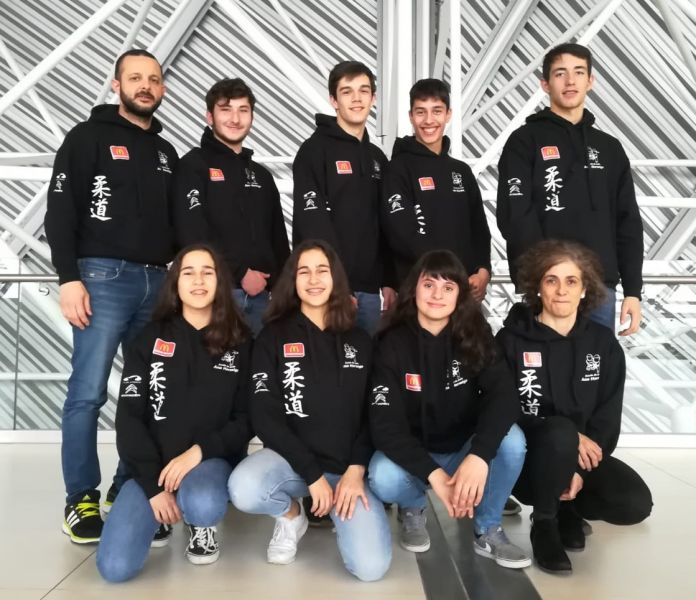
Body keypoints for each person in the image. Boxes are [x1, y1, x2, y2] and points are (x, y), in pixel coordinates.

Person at [44, 49, 178, 543]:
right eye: (135, 78)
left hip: (157, 283)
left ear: (162, 89)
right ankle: (80, 498)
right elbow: (60, 210)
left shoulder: (166, 153)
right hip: (101, 278)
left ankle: (129, 487)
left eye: (154, 79)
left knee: (149, 392)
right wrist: (68, 278)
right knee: (87, 393)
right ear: (116, 84)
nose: (146, 86)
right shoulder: (86, 138)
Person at [228, 239, 391, 582]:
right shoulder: (272, 337)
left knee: (371, 569)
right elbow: (264, 414)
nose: (314, 279)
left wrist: (356, 470)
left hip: (347, 472)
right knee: (244, 487)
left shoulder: (360, 340)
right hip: (294, 464)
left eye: (322, 270)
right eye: (304, 271)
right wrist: (313, 475)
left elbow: (376, 415)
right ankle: (291, 516)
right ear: (293, 280)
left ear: (335, 279)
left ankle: (340, 512)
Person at [96, 244, 252, 581]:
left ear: (220, 282)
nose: (198, 281)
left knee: (203, 502)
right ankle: (161, 512)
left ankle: (200, 525)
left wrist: (199, 452)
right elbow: (129, 418)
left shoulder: (240, 341)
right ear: (175, 283)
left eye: (207, 272)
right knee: (114, 568)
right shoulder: (149, 339)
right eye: (188, 273)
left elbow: (246, 420)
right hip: (156, 466)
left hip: (209, 462)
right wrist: (152, 486)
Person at [496, 240, 652, 574]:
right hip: (529, 464)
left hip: (581, 459)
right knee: (560, 431)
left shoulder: (602, 343)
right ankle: (544, 523)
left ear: (584, 290)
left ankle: (570, 510)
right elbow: (501, 407)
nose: (561, 290)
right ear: (538, 287)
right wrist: (565, 438)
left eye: (571, 281)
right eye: (551, 280)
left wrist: (577, 468)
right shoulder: (510, 341)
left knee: (635, 503)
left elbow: (608, 414)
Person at [368, 250, 531, 570]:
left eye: (448, 287)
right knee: (381, 475)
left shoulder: (475, 334)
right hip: (413, 454)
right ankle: (413, 508)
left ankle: (487, 528)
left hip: (462, 449)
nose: (437, 295)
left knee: (512, 441)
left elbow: (505, 396)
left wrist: (479, 455)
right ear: (414, 288)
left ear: (460, 295)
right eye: (429, 285)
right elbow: (384, 425)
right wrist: (435, 476)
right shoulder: (390, 343)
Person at [496, 43, 644, 335]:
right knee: (545, 362)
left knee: (596, 364)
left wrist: (633, 290)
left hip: (600, 287)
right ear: (545, 84)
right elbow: (514, 214)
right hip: (547, 285)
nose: (570, 81)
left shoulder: (609, 148)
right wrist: (544, 274)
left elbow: (628, 221)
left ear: (590, 81)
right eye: (560, 73)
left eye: (578, 72)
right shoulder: (524, 141)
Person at [173, 78, 289, 336]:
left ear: (252, 117)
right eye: (226, 110)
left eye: (243, 110)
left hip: (264, 301)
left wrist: (284, 291)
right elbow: (192, 234)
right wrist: (239, 273)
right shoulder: (193, 166)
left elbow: (278, 239)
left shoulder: (261, 175)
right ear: (209, 116)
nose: (235, 119)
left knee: (261, 363)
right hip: (215, 296)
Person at [292, 60, 395, 335]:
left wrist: (389, 280)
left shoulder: (377, 158)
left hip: (370, 293)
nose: (357, 98)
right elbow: (312, 221)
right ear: (334, 100)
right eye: (347, 91)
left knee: (367, 361)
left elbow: (387, 224)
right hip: (327, 290)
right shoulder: (314, 151)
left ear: (373, 98)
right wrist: (336, 284)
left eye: (363, 90)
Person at [381, 79, 491, 300]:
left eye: (437, 111)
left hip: (464, 292)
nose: (429, 120)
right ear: (411, 116)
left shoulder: (461, 171)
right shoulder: (397, 169)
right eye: (421, 112)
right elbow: (400, 234)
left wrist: (483, 271)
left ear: (448, 114)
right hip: (419, 292)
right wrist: (445, 277)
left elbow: (479, 229)